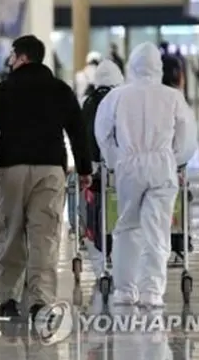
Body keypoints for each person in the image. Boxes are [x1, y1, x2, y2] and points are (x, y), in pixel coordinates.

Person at [0, 35, 93, 321]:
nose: (9, 61)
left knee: (11, 235)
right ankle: (39, 300)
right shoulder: (61, 90)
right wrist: (84, 169)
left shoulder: (3, 90)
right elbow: (78, 133)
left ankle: (9, 300)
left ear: (22, 57)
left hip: (13, 170)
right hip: (50, 170)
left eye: (12, 55)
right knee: (44, 237)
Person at [94, 42, 198, 307]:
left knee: (127, 226)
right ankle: (152, 291)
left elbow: (102, 131)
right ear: (159, 67)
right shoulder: (172, 96)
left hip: (129, 165)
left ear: (132, 65)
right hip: (162, 165)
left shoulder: (117, 96)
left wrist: (115, 159)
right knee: (157, 227)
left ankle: (125, 290)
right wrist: (174, 160)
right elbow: (187, 138)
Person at [71, 60, 124, 277]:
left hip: (94, 171)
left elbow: (81, 136)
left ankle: (99, 250)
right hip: (121, 169)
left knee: (94, 206)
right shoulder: (122, 100)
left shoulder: (88, 101)